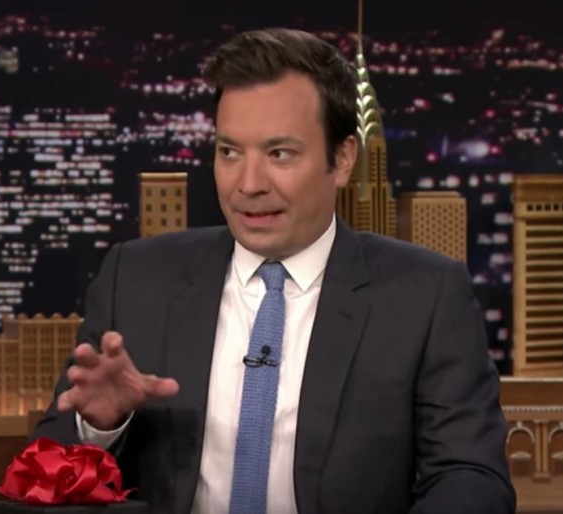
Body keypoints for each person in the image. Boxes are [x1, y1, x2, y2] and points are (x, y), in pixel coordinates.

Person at [32, 27, 515, 514]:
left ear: (342, 159)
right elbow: (42, 470)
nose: (248, 184)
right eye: (229, 152)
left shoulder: (424, 296)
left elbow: (472, 478)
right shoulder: (136, 280)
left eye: (279, 154)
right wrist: (98, 428)